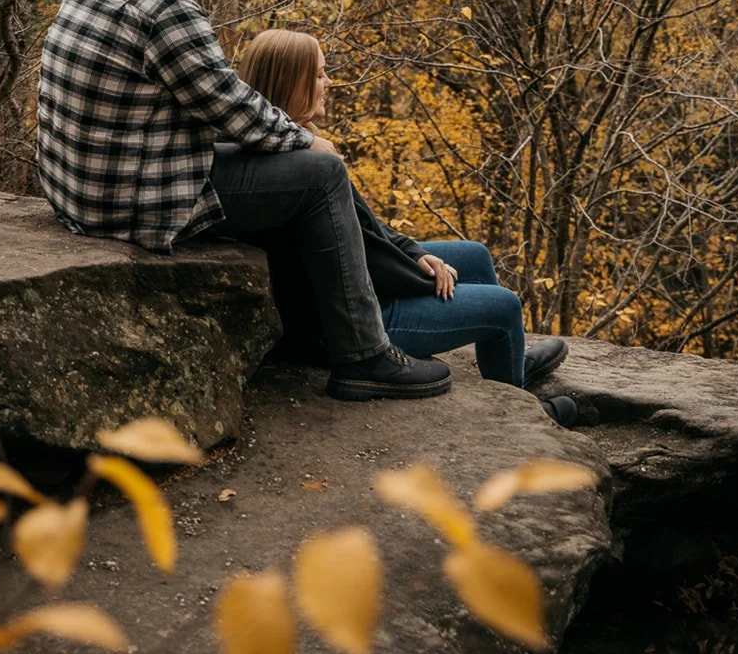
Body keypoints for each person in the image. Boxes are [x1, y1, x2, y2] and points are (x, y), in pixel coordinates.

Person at [36, 0, 451, 402]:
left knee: (288, 158)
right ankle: (364, 356)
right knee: (320, 172)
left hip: (83, 191)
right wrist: (302, 139)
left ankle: (359, 288)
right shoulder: (164, 7)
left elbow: (218, 109)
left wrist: (284, 140)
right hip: (134, 202)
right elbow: (231, 108)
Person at [232, 28, 578, 426]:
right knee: (505, 308)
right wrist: (420, 275)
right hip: (353, 320)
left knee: (475, 255)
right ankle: (523, 418)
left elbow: (365, 227)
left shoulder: (296, 146)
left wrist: (415, 253)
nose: (329, 82)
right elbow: (359, 256)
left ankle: (509, 366)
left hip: (361, 284)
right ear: (290, 82)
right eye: (319, 74)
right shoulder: (292, 169)